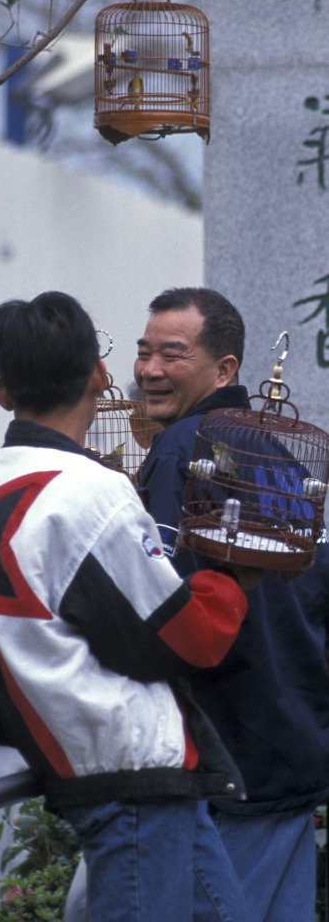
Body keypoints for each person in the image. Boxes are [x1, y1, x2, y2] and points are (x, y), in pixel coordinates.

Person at [0, 290, 259, 922]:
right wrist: (232, 576)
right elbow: (188, 636)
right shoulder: (90, 490)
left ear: (2, 392)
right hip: (134, 777)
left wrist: (46, 724)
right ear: (101, 377)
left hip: (111, 773)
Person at [135, 287, 329, 921]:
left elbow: (163, 608)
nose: (150, 370)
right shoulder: (282, 458)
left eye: (172, 354)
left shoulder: (180, 452)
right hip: (292, 749)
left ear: (224, 370)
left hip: (228, 760)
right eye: (144, 353)